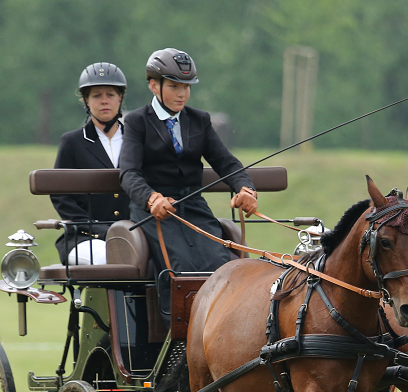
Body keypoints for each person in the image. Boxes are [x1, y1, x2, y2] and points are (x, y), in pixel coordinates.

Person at [119, 48, 258, 321]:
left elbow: (227, 163)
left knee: (221, 265)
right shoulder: (137, 122)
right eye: (174, 86)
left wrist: (245, 188)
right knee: (181, 269)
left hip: (193, 206)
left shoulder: (199, 120)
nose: (182, 93)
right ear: (153, 85)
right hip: (155, 211)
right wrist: (151, 198)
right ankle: (182, 335)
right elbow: (129, 173)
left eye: (186, 87)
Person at [50, 62, 130, 265]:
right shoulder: (72, 142)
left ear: (120, 98)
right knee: (110, 257)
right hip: (85, 236)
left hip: (135, 232)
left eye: (110, 94)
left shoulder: (138, 140)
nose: (104, 101)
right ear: (86, 100)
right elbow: (61, 196)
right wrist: (94, 227)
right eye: (96, 95)